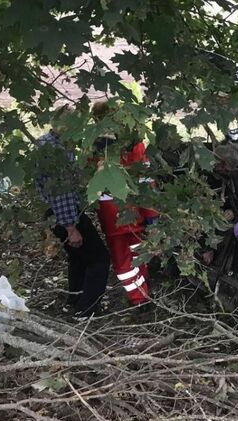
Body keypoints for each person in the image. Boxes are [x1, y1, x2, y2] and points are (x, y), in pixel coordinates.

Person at [34, 105, 109, 320]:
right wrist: (70, 227)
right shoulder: (56, 151)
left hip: (53, 213)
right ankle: (86, 309)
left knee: (78, 258)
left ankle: (75, 300)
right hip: (64, 213)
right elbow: (62, 191)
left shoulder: (44, 142)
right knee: (99, 259)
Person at [91, 99, 157, 306]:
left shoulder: (94, 146)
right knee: (136, 254)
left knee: (124, 262)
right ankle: (143, 293)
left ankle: (140, 298)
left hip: (114, 216)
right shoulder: (133, 142)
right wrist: (152, 215)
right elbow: (147, 181)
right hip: (133, 212)